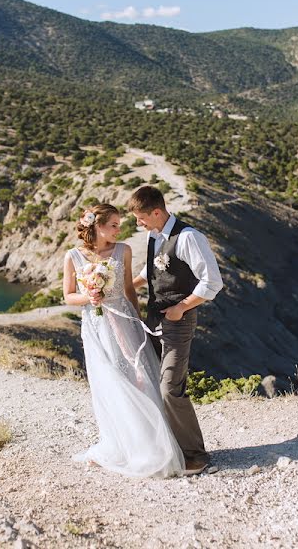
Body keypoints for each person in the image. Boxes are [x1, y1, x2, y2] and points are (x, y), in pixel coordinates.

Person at [62, 203, 184, 478]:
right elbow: (69, 296)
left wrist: (139, 324)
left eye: (120, 224)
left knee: (137, 377)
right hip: (95, 326)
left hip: (125, 321)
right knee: (109, 381)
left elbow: (129, 288)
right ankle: (120, 443)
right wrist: (90, 297)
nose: (120, 230)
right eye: (114, 225)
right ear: (97, 226)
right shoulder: (73, 256)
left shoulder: (124, 250)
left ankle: (150, 445)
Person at [127, 186, 223, 476]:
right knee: (152, 384)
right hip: (153, 321)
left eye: (140, 218)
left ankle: (197, 455)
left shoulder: (190, 238)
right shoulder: (153, 235)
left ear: (156, 212)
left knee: (170, 388)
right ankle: (171, 448)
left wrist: (182, 307)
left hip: (178, 322)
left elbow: (212, 283)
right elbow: (152, 273)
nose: (137, 224)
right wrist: (126, 286)